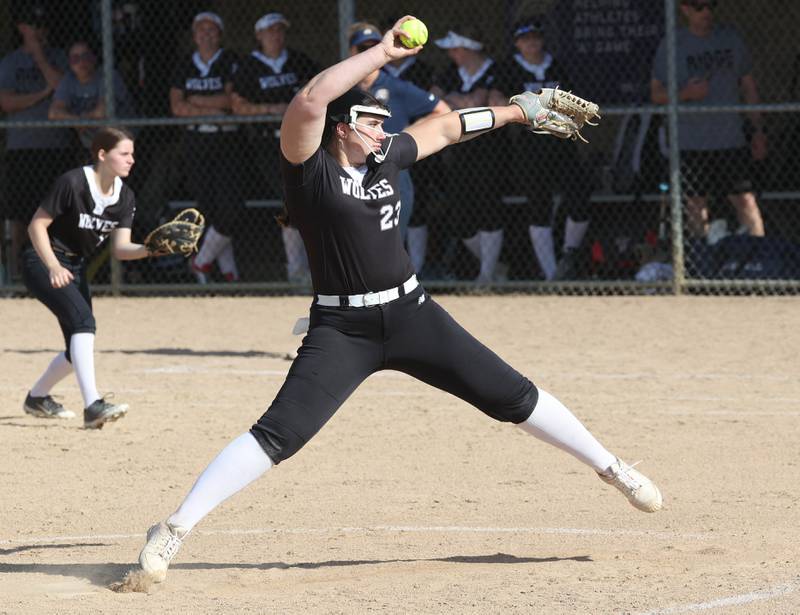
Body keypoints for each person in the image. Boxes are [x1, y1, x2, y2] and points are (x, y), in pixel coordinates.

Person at [136, 17, 662, 583]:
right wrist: (383, 52)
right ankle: (173, 529)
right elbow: (311, 98)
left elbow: (447, 129)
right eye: (370, 121)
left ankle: (612, 468)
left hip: (412, 314)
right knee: (279, 435)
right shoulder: (308, 173)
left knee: (512, 394)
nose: (382, 131)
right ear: (339, 129)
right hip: (343, 329)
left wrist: (518, 111)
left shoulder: (383, 156)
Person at [21, 127, 162, 428]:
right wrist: (53, 266)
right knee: (84, 324)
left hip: (74, 265)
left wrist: (151, 249)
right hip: (41, 259)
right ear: (101, 154)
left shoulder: (125, 196)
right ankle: (93, 406)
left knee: (77, 345)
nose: (131, 160)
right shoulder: (73, 182)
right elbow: (36, 226)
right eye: (124, 153)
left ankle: (37, 398)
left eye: (132, 154)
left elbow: (121, 249)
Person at [650, 0, 766, 241]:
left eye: (711, 6)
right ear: (685, 9)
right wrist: (686, 94)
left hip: (729, 139)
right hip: (691, 141)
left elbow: (749, 87)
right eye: (699, 7)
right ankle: (703, 259)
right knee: (696, 202)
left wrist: (757, 130)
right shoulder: (673, 45)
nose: (706, 12)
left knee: (745, 199)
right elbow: (656, 94)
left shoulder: (730, 39)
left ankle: (761, 259)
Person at [496, 17, 592, 280]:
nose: (532, 43)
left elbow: (575, 101)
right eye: (526, 38)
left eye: (536, 37)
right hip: (530, 145)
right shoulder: (508, 68)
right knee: (539, 206)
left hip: (562, 142)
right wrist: (530, 109)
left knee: (579, 199)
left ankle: (569, 255)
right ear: (517, 43)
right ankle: (551, 275)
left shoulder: (556, 65)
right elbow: (498, 100)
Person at [231, 12, 318, 285]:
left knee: (312, 199)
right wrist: (272, 109)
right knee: (290, 201)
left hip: (303, 139)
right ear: (259, 35)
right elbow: (237, 106)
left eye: (280, 30)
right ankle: (296, 271)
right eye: (270, 31)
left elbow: (319, 92)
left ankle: (312, 268)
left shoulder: (299, 61)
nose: (276, 35)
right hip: (268, 142)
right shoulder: (249, 66)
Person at [347, 22, 450, 238]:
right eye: (362, 49)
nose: (368, 54)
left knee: (390, 242)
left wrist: (406, 136)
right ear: (351, 51)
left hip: (390, 173)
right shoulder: (343, 88)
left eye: (372, 48)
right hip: (351, 174)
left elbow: (442, 110)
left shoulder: (395, 86)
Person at [0, 3, 73, 281]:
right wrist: (43, 94)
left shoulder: (59, 58)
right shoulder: (11, 62)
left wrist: (40, 56)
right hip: (22, 148)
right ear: (21, 28)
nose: (39, 31)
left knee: (57, 213)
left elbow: (61, 84)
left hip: (56, 146)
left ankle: (57, 270)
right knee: (21, 213)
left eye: (42, 26)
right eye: (33, 26)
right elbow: (6, 102)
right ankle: (18, 274)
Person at [430, 26, 507, 284]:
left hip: (491, 150)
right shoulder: (450, 72)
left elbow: (495, 104)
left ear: (469, 49)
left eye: (455, 48)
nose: (451, 53)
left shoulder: (497, 71)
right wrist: (470, 100)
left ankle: (486, 275)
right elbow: (437, 104)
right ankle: (493, 268)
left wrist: (457, 102)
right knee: (461, 216)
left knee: (489, 209)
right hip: (458, 149)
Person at [170, 11, 243, 283]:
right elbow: (176, 106)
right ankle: (228, 272)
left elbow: (231, 101)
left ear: (220, 34)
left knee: (231, 210)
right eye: (201, 29)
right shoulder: (184, 64)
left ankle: (200, 262)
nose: (206, 34)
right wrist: (210, 104)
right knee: (210, 208)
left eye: (212, 29)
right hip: (196, 140)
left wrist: (197, 101)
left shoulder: (230, 60)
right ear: (194, 35)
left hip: (226, 139)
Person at [49, 39, 135, 158]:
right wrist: (79, 120)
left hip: (121, 143)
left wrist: (79, 121)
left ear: (94, 58)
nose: (81, 62)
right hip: (91, 145)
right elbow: (54, 113)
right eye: (75, 58)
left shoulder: (107, 75)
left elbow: (103, 111)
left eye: (86, 57)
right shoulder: (69, 79)